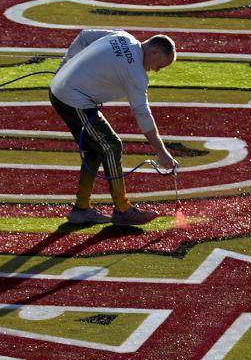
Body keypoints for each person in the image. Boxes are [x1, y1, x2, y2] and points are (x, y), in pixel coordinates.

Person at [47, 28, 180, 227]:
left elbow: (84, 36)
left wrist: (64, 65)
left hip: (60, 91)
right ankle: (123, 210)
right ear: (155, 53)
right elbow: (143, 114)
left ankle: (81, 209)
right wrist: (162, 152)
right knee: (111, 145)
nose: (157, 70)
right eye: (160, 65)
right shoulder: (136, 74)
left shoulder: (122, 36)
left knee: (95, 148)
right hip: (74, 100)